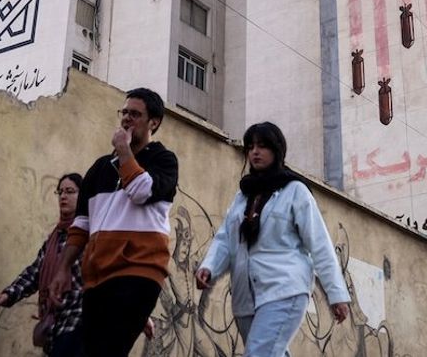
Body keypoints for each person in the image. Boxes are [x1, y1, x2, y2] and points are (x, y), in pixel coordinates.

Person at [195, 122, 351, 357]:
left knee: (258, 354)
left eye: (262, 146)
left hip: (284, 288)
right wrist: (209, 266)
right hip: (245, 295)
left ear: (277, 150)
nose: (255, 152)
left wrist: (336, 294)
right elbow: (226, 239)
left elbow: (319, 244)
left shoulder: (295, 190)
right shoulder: (243, 195)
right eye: (250, 147)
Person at [49, 87, 178, 357]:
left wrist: (123, 151)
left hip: (139, 271)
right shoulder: (99, 169)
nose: (127, 119)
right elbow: (80, 226)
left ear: (153, 122)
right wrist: (62, 269)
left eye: (135, 114)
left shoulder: (163, 160)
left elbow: (141, 191)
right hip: (97, 278)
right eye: (124, 113)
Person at [0, 173, 86, 357]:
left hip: (78, 322)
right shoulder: (54, 239)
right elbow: (35, 272)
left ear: (82, 195)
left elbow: (109, 273)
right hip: (54, 327)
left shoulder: (90, 234)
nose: (63, 196)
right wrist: (8, 294)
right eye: (60, 192)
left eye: (70, 191)